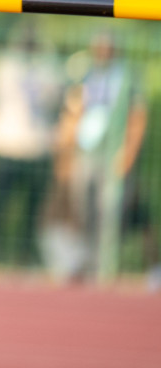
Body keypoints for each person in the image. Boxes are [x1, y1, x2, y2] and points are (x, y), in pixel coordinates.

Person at [52, 32, 159, 287]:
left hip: (113, 154)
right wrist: (65, 150)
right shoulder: (85, 76)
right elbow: (72, 114)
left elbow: (137, 117)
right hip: (87, 153)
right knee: (80, 208)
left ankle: (107, 264)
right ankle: (82, 261)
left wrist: (128, 153)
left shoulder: (126, 78)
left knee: (114, 210)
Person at [0, 22, 62, 267]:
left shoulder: (47, 70)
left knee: (31, 210)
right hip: (6, 144)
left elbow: (53, 100)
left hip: (35, 147)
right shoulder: (6, 67)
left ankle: (22, 256)